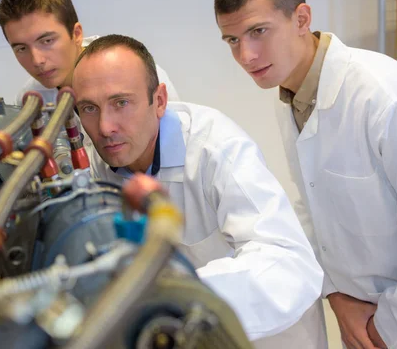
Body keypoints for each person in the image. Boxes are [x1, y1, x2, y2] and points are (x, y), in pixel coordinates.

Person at [71, 34, 326, 348]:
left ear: (159, 100)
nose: (105, 127)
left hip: (268, 336)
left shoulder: (216, 148)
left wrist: (169, 295)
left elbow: (289, 265)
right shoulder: (98, 163)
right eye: (89, 109)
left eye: (121, 103)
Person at [215, 0, 397, 349]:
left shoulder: (390, 100)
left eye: (258, 31)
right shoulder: (290, 98)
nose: (246, 56)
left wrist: (382, 330)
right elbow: (311, 208)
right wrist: (337, 297)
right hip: (359, 319)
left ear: (302, 18)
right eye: (233, 40)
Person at [0, 0, 180, 105]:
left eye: (47, 41)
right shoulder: (31, 101)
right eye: (21, 49)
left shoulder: (139, 74)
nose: (37, 60)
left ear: (76, 34)